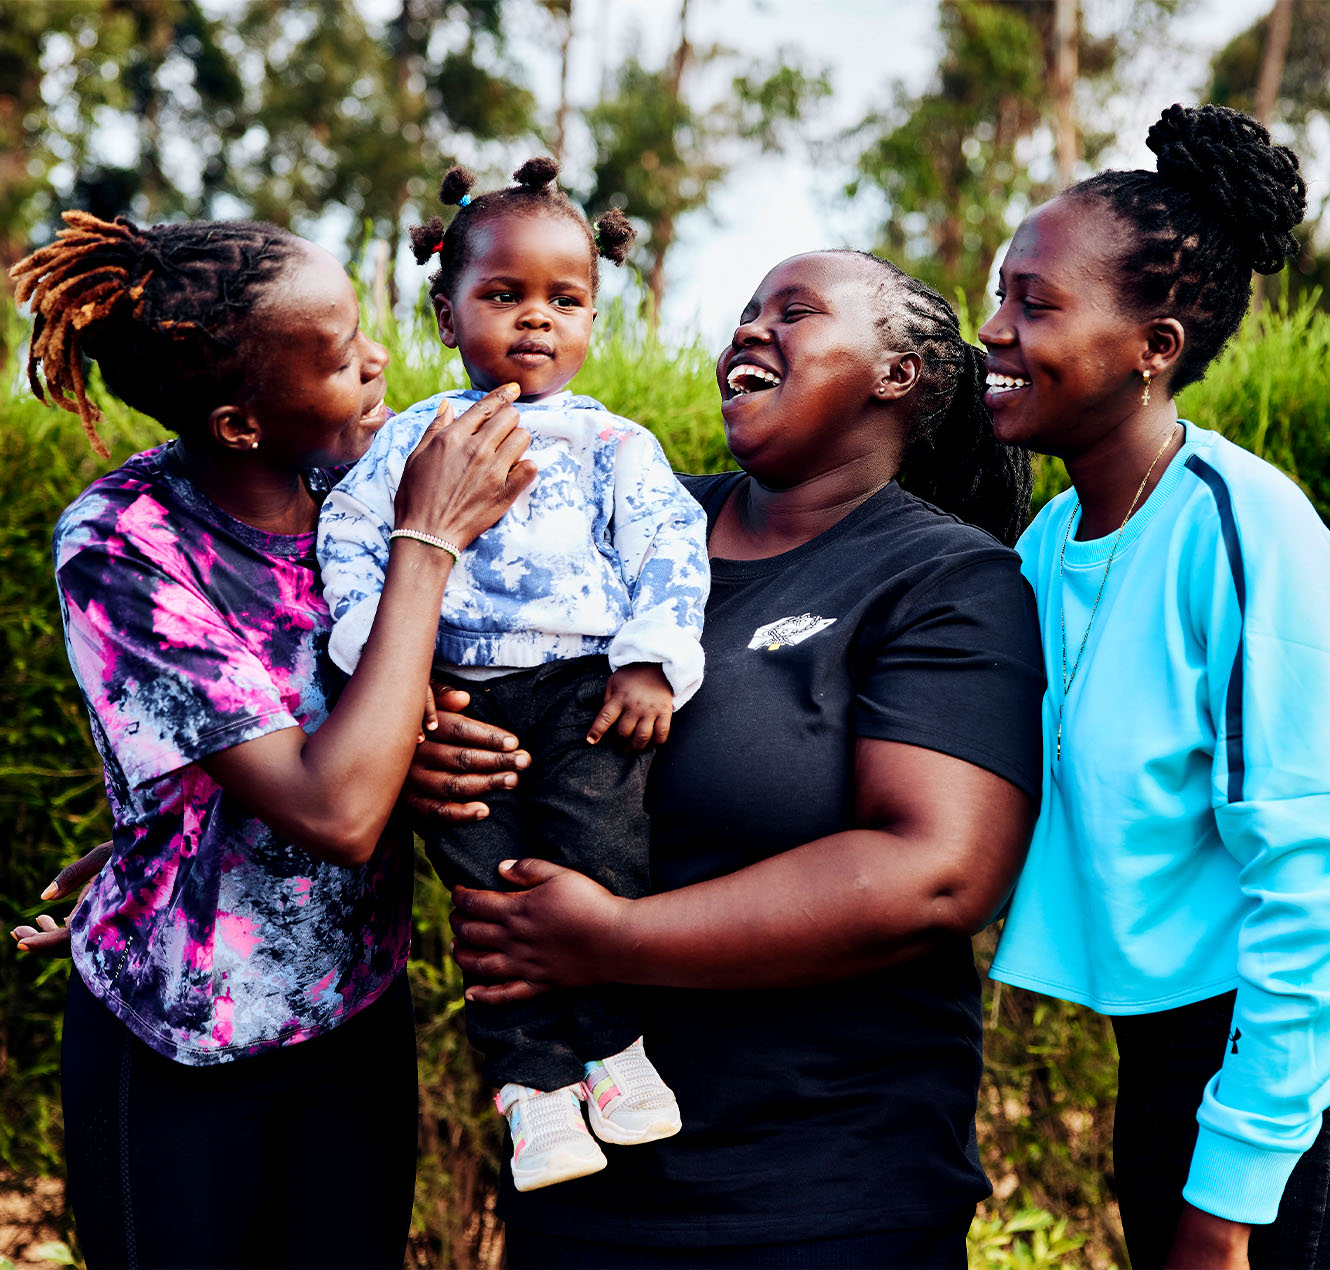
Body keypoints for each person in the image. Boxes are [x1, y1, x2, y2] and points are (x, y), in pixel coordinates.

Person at [423, 247, 1047, 1267]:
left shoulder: (946, 579)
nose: (749, 330)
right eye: (747, 311)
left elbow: (935, 874)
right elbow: (481, 658)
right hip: (575, 1178)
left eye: (794, 312)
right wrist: (430, 741)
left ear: (897, 377)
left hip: (820, 1193)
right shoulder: (629, 529)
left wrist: (612, 939)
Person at [8, 210, 534, 1268]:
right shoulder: (124, 543)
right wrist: (425, 544)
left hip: (355, 1014)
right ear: (240, 422)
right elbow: (336, 807)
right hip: (183, 1040)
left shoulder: (361, 483)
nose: (379, 360)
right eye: (340, 356)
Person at [978, 104, 1330, 1270]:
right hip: (1166, 1062)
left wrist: (1228, 1198)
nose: (996, 329)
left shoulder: (1242, 529)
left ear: (1155, 345)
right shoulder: (1047, 542)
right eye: (1000, 292)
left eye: (1036, 303)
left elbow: (1307, 875)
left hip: (1275, 1089)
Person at [317, 157, 710, 1192]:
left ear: (592, 321)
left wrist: (649, 662)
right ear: (446, 317)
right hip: (453, 703)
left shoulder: (615, 442)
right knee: (488, 898)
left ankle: (616, 1054)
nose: (535, 321)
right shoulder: (410, 438)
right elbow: (351, 546)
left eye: (563, 300)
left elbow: (671, 548)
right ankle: (531, 1092)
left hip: (583, 695)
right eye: (503, 295)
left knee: (601, 861)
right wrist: (382, 672)